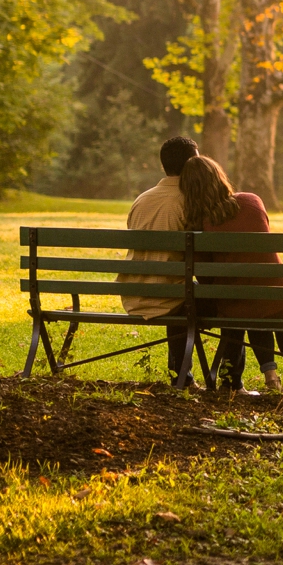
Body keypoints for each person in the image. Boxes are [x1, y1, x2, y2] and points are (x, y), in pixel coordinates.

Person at [179, 154, 283, 392]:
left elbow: (207, 279)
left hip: (238, 304)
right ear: (219, 177)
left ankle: (271, 377)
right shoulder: (252, 201)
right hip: (281, 298)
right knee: (268, 303)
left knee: (248, 306)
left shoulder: (199, 225)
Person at [118, 135, 206, 386]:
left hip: (135, 294)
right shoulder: (189, 201)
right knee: (226, 299)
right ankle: (229, 378)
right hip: (171, 297)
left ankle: (180, 375)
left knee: (181, 290)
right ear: (192, 164)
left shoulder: (141, 199)